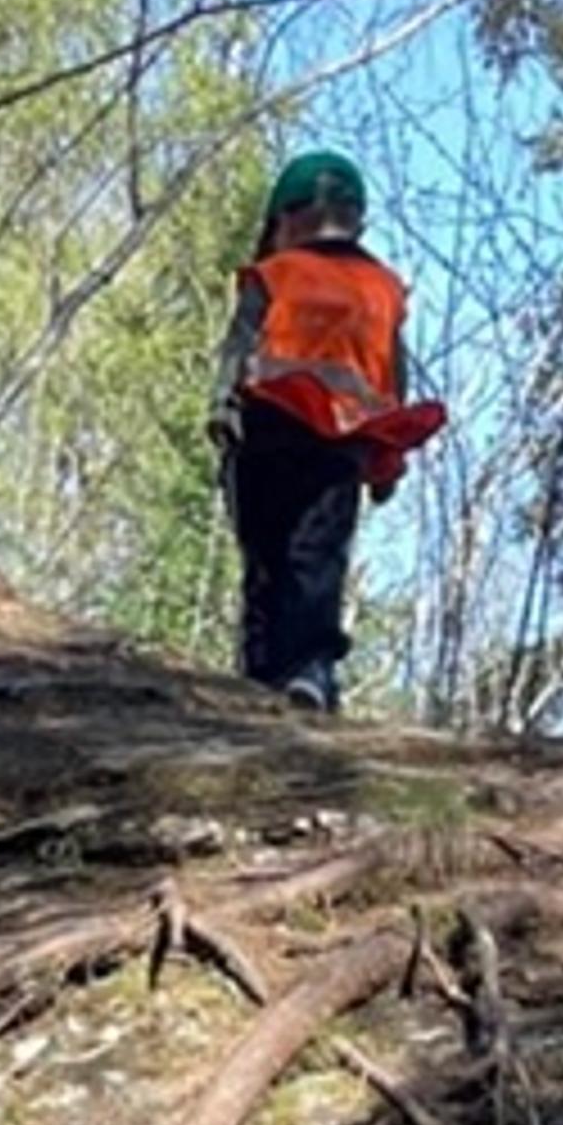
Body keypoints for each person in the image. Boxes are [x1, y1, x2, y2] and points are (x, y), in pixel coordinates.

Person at [209, 151, 444, 714]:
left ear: (285, 221)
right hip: (343, 437)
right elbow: (392, 376)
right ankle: (308, 670)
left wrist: (221, 409)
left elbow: (239, 346)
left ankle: (263, 673)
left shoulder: (274, 274)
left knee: (265, 554)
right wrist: (387, 460)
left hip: (265, 428)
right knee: (317, 553)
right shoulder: (383, 289)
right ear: (356, 219)